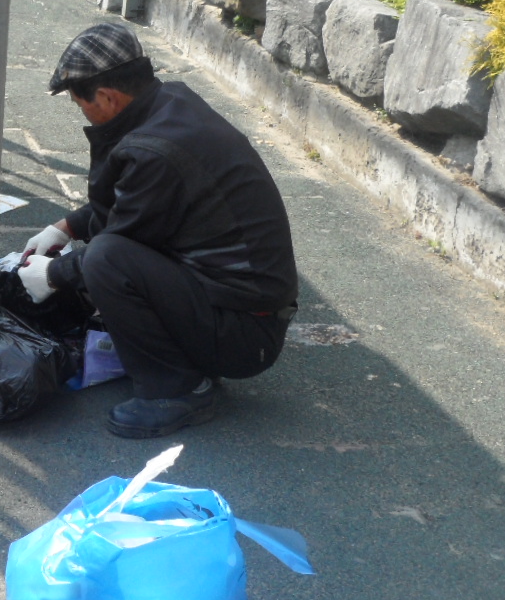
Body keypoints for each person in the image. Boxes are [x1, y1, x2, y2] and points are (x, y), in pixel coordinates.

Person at [16, 24, 298, 438]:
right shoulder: (170, 104)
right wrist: (65, 227)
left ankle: (178, 388)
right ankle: (182, 361)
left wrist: (52, 276)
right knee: (106, 252)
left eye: (82, 106)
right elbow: (135, 203)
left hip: (245, 335)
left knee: (107, 258)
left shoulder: (154, 152)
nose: (85, 115)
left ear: (109, 97)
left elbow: (123, 238)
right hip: (240, 308)